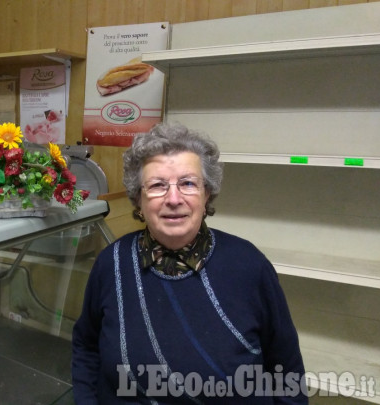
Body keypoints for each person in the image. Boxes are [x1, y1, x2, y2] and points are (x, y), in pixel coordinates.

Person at [72, 123, 307, 404]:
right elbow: (87, 347)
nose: (174, 199)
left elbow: (286, 371)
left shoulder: (249, 266)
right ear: (138, 199)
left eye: (188, 183)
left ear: (206, 195)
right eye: (158, 185)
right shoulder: (111, 264)